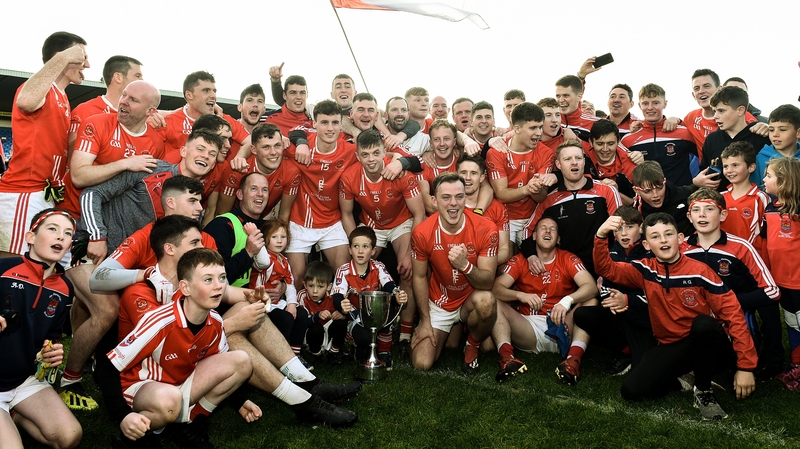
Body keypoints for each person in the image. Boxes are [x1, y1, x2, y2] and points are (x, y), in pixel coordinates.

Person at [594, 213, 757, 421]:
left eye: (668, 234)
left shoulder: (701, 272)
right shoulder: (645, 270)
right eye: (655, 236)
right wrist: (600, 235)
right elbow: (606, 269)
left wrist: (745, 367)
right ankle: (683, 379)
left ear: (679, 238)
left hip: (710, 345)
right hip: (670, 345)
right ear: (646, 244)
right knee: (632, 391)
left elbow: (734, 315)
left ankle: (703, 391)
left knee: (704, 324)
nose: (663, 240)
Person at [108, 248, 253, 446]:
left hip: (179, 383)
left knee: (242, 361)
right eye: (208, 280)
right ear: (185, 288)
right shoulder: (160, 322)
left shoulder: (216, 321)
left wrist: (240, 402)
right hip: (145, 387)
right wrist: (122, 415)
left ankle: (191, 423)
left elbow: (218, 366)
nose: (219, 286)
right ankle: (134, 435)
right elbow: (107, 367)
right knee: (170, 400)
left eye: (222, 277)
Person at [0, 32, 88, 258]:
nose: (87, 64)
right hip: (25, 191)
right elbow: (27, 101)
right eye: (81, 56)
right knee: (15, 262)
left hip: (47, 193)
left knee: (37, 264)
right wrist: (64, 56)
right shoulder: (39, 88)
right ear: (62, 57)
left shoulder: (63, 96)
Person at [0, 208, 82, 449]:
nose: (60, 237)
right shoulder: (3, 269)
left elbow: (52, 337)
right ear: (30, 237)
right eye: (52, 229)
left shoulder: (66, 288)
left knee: (70, 436)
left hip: (23, 380)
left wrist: (51, 353)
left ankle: (14, 414)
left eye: (67, 234)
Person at [683, 189, 783, 381]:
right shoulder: (681, 248)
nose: (702, 215)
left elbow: (773, 291)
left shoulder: (741, 247)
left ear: (723, 215)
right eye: (696, 210)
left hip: (734, 311)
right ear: (689, 216)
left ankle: (773, 360)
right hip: (697, 313)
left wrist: (730, 301)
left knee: (768, 304)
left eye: (709, 209)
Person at [339, 129, 426, 347]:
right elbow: (347, 214)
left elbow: (419, 214)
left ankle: (405, 331)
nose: (371, 159)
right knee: (358, 266)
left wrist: (408, 253)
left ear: (384, 152)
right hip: (371, 224)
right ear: (358, 156)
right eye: (365, 155)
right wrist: (355, 244)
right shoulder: (349, 177)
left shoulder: (400, 172)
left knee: (408, 268)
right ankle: (359, 324)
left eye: (376, 153)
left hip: (401, 222)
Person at [410, 172, 501, 373]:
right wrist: (425, 320)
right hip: (441, 301)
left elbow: (487, 283)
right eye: (446, 197)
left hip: (471, 298)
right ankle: (454, 329)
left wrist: (465, 266)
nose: (454, 203)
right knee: (422, 363)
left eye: (459, 197)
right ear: (434, 201)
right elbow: (418, 277)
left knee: (487, 302)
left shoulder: (486, 228)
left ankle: (472, 344)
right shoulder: (422, 232)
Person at [493, 217, 597, 384]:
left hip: (563, 326)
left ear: (558, 239)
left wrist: (567, 301)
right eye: (543, 228)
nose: (548, 231)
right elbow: (496, 289)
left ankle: (573, 361)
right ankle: (507, 358)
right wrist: (521, 295)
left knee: (591, 301)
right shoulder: (519, 260)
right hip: (528, 328)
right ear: (534, 236)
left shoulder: (568, 259)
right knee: (493, 302)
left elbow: (591, 287)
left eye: (552, 229)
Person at [62, 80, 164, 220]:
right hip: (74, 215)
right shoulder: (97, 123)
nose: (123, 101)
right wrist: (125, 164)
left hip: (113, 223)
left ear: (150, 111)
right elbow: (78, 177)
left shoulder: (156, 143)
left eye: (133, 100)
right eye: (124, 95)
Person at [573, 208, 655, 375]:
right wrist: (612, 299)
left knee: (644, 373)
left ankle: (644, 351)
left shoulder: (651, 251)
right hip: (618, 312)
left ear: (641, 228)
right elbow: (603, 282)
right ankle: (625, 351)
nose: (624, 233)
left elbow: (655, 293)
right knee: (583, 315)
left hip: (644, 316)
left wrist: (627, 299)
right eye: (619, 228)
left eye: (630, 227)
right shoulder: (610, 250)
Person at [283, 100, 356, 287]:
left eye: (335, 123)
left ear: (342, 124)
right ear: (314, 124)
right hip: (301, 222)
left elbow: (381, 154)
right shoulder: (300, 147)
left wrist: (400, 162)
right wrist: (293, 141)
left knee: (344, 277)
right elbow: (265, 143)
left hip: (332, 222)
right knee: (297, 282)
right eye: (324, 122)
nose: (330, 128)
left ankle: (337, 314)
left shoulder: (350, 151)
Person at [521, 141, 621, 277]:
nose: (574, 162)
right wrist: (531, 256)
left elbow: (620, 230)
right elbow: (527, 230)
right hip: (566, 273)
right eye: (567, 159)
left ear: (584, 162)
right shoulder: (549, 200)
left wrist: (612, 268)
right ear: (558, 165)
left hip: (604, 268)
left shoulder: (606, 190)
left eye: (578, 158)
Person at [332, 227, 408, 368]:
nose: (360, 251)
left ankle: (385, 352)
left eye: (365, 247)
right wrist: (342, 305)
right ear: (350, 250)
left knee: (388, 304)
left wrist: (398, 294)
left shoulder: (378, 266)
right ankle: (354, 342)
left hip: (375, 312)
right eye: (356, 246)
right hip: (355, 315)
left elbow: (389, 284)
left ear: (373, 251)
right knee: (364, 338)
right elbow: (337, 296)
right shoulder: (343, 270)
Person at [487, 102, 555, 247]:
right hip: (505, 218)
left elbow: (541, 197)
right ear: (516, 128)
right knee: (506, 260)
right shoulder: (496, 152)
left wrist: (536, 188)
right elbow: (501, 193)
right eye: (533, 128)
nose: (538, 133)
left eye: (540, 127)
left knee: (535, 263)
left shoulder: (546, 153)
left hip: (533, 217)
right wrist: (527, 189)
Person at [761, 158, 800, 389]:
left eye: (769, 176)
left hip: (798, 281)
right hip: (781, 281)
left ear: (784, 181)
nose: (764, 179)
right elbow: (767, 244)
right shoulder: (770, 208)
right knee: (792, 323)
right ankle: (796, 364)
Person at [250, 219, 309, 359]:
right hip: (260, 303)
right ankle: (280, 356)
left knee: (301, 314)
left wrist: (292, 305)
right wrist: (256, 236)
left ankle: (295, 354)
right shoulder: (263, 257)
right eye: (274, 237)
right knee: (286, 319)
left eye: (283, 237)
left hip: (276, 303)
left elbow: (290, 285)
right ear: (265, 240)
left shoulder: (284, 260)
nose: (279, 241)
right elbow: (264, 262)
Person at [216, 122, 300, 221]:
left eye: (277, 145)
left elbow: (284, 216)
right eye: (266, 147)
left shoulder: (291, 171)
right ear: (254, 150)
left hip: (266, 217)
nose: (273, 152)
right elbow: (222, 214)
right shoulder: (238, 169)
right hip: (236, 218)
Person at [620, 83, 698, 187]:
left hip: (682, 198)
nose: (650, 107)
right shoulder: (628, 139)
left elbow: (704, 157)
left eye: (656, 103)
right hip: (647, 199)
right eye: (645, 103)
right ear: (639, 106)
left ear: (665, 104)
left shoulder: (684, 133)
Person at [160, 71, 250, 161]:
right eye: (206, 91)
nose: (213, 96)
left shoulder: (223, 120)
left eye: (214, 91)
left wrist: (239, 158)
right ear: (189, 95)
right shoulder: (168, 121)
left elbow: (252, 142)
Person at [695, 86, 770, 192]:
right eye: (714, 111)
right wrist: (699, 182)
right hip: (720, 203)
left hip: (756, 203)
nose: (715, 116)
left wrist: (770, 128)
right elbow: (704, 172)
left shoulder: (761, 136)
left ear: (740, 110)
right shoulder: (712, 140)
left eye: (721, 111)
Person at [68, 55, 143, 149]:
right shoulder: (85, 110)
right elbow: (71, 154)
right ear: (118, 77)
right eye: (137, 76)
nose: (142, 81)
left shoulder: (143, 117)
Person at [457, 154, 511, 265]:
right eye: (463, 173)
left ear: (482, 178)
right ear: (457, 175)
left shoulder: (497, 208)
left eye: (473, 173)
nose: (468, 177)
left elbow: (504, 250)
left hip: (485, 271)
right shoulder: (450, 206)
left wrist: (482, 262)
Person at [719, 142, 770, 246]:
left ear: (751, 167)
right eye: (725, 166)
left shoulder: (761, 198)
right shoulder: (720, 197)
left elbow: (768, 233)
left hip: (752, 256)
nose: (729, 171)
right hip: (725, 256)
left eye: (735, 165)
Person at [299, 261, 347, 366]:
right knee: (316, 329)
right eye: (311, 286)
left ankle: (334, 353)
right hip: (311, 332)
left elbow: (346, 311)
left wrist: (341, 314)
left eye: (320, 287)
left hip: (329, 330)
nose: (315, 291)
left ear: (329, 287)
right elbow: (301, 324)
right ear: (305, 285)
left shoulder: (334, 295)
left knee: (341, 323)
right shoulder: (302, 296)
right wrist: (316, 316)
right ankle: (315, 354)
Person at [631, 161, 695, 235]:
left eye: (660, 188)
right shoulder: (635, 212)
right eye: (648, 191)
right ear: (637, 191)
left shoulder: (684, 195)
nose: (655, 195)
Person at [585, 119, 637, 205]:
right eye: (600, 144)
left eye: (610, 143)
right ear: (591, 142)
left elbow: (638, 204)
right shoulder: (582, 156)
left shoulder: (630, 165)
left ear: (618, 142)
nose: (605, 149)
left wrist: (614, 192)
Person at [752, 104, 800, 185]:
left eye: (782, 130)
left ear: (798, 133)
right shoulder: (760, 159)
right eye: (771, 130)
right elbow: (756, 190)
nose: (775, 134)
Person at [555, 75, 596, 141]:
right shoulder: (548, 121)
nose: (561, 100)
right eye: (558, 96)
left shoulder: (595, 123)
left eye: (566, 95)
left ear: (579, 97)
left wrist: (577, 141)